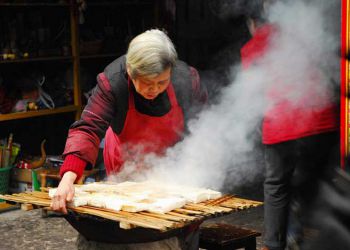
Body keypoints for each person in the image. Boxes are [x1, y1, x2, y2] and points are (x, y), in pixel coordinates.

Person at [51, 28, 207, 249]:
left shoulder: (187, 80)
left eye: (161, 82)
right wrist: (67, 179)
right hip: (124, 168)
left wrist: (198, 169)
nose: (154, 89)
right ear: (131, 72)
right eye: (146, 83)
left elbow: (203, 129)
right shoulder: (112, 82)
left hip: (173, 170)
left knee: (178, 230)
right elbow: (88, 128)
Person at [240, 6, 339, 250]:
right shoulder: (302, 33)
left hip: (281, 127)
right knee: (318, 180)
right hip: (322, 123)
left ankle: (274, 244)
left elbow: (252, 92)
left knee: (276, 185)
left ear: (253, 24)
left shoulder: (253, 46)